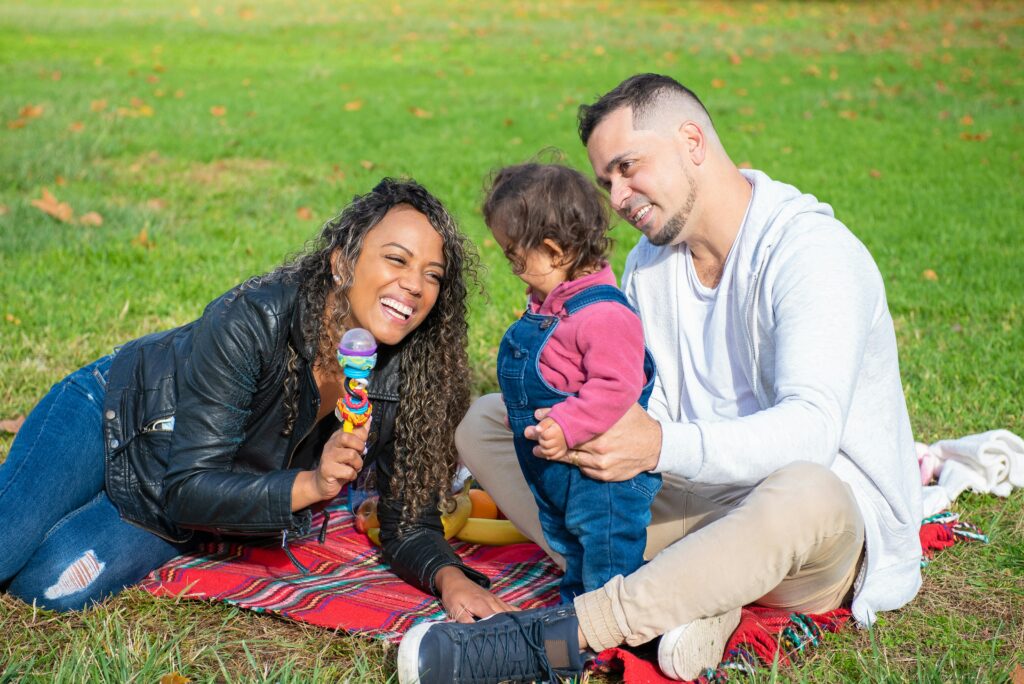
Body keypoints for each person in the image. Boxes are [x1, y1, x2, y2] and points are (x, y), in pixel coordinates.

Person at [397, 74, 923, 683]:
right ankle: (689, 599)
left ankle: (563, 637)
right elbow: (628, 390)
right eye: (606, 181)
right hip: (686, 498)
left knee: (808, 488)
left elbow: (812, 432)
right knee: (489, 421)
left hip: (808, 534)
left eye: (628, 167)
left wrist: (656, 444)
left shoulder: (813, 254)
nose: (617, 197)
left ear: (693, 141)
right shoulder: (651, 261)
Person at [0, 178, 510, 622]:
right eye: (396, 259)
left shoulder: (410, 372)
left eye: (433, 275)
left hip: (173, 506)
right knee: (7, 539)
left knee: (45, 589)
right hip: (113, 414)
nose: (415, 285)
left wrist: (451, 579)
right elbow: (193, 482)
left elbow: (407, 518)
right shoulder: (254, 318)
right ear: (342, 262)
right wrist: (310, 484)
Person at [483, 162, 659, 603]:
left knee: (605, 555)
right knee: (571, 547)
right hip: (560, 474)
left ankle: (608, 629)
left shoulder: (604, 315)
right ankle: (576, 605)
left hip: (602, 482)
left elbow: (616, 388)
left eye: (514, 256)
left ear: (555, 251)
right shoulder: (549, 306)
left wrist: (567, 423)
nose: (511, 267)